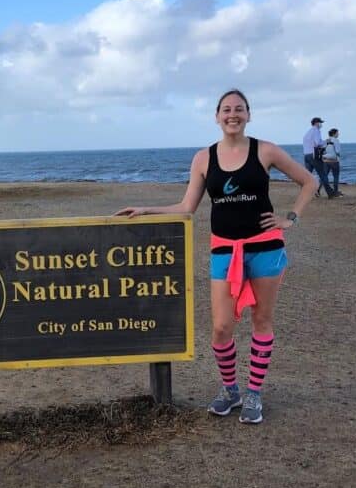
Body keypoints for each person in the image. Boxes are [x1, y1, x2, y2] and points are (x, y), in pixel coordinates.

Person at [116, 90, 316, 424]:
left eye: (239, 109)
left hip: (265, 247)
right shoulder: (203, 158)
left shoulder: (265, 150)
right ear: (217, 116)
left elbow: (308, 182)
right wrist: (146, 209)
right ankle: (230, 390)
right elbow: (187, 207)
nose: (232, 114)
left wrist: (290, 218)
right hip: (224, 250)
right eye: (226, 109)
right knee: (221, 328)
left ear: (248, 115)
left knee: (261, 320)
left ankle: (253, 393)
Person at [302, 117, 336, 198]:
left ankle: (304, 193)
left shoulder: (308, 132)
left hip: (306, 155)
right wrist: (326, 141)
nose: (321, 124)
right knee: (323, 174)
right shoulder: (316, 131)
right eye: (320, 123)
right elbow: (318, 143)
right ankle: (330, 193)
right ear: (316, 123)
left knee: (307, 176)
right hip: (314, 155)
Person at [324, 128, 342, 196]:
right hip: (334, 161)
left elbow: (323, 150)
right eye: (337, 133)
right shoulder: (336, 140)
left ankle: (318, 190)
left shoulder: (326, 140)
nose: (338, 134)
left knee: (324, 176)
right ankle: (335, 191)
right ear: (334, 134)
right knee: (336, 176)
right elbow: (337, 151)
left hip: (326, 160)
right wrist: (339, 157)